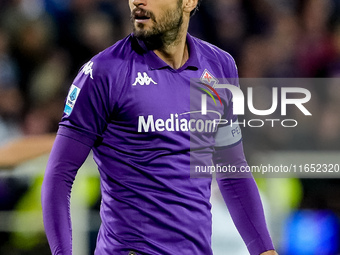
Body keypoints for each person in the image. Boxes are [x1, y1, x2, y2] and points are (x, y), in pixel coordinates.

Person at [41, 0, 278, 254]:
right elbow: (59, 175)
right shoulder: (103, 73)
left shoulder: (219, 65)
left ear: (188, 2)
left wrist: (264, 249)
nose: (137, 2)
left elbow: (231, 171)